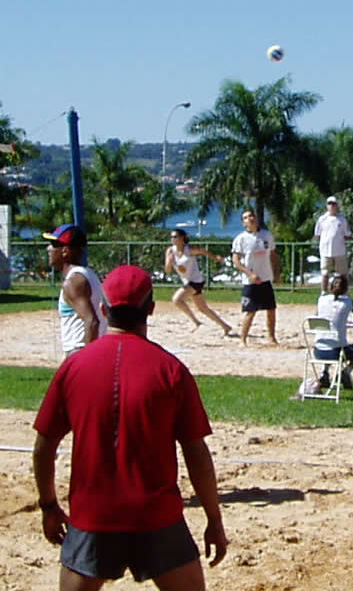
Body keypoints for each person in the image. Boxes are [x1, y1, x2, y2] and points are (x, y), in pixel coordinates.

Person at [32, 264, 227, 590]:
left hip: (93, 516)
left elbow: (43, 447)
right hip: (156, 517)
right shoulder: (172, 371)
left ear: (104, 309)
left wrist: (49, 506)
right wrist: (214, 520)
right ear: (150, 309)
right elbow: (197, 455)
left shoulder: (74, 367)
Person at [43, 223, 107, 357]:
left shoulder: (73, 282)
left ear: (65, 251)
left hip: (78, 350)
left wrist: (85, 361)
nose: (48, 248)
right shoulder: (87, 274)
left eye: (54, 245)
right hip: (88, 348)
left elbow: (92, 321)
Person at [164, 229, 232, 336]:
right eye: (172, 237)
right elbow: (167, 270)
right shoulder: (170, 251)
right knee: (203, 308)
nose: (173, 239)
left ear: (182, 238)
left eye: (175, 237)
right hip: (187, 282)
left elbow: (203, 251)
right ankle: (225, 326)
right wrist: (169, 260)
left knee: (177, 300)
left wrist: (215, 258)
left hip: (196, 281)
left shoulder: (189, 250)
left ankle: (196, 322)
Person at [232, 208, 281, 345]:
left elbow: (272, 255)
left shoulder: (266, 235)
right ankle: (243, 340)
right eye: (246, 217)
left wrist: (277, 273)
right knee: (250, 311)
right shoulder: (240, 239)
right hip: (250, 281)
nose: (250, 219)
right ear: (243, 223)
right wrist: (250, 273)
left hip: (265, 278)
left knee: (271, 309)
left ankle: (271, 337)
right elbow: (236, 261)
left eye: (252, 216)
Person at [314, 274, 353, 390]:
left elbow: (318, 317)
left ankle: (324, 372)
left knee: (329, 338)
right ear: (346, 289)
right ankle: (346, 372)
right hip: (337, 352)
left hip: (318, 350)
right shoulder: (348, 302)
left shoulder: (321, 300)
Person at [314, 196, 351, 293]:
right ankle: (324, 292)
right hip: (325, 251)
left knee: (342, 273)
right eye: (329, 203)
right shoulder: (322, 219)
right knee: (325, 273)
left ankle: (344, 292)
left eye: (333, 203)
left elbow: (347, 234)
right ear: (326, 206)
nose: (332, 206)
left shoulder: (342, 219)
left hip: (339, 251)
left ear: (337, 205)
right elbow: (317, 234)